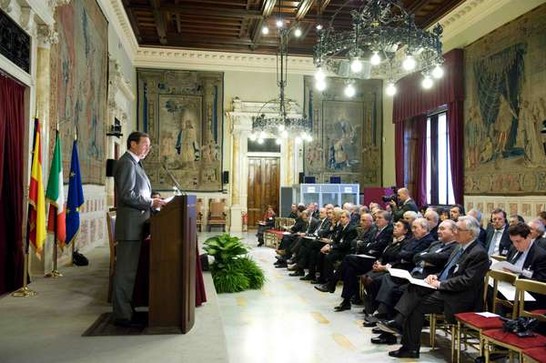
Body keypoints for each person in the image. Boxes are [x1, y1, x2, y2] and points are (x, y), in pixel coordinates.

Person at [377, 216, 489, 358]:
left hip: (459, 297)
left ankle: (407, 343)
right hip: (445, 289)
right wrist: (436, 276)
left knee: (415, 306)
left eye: (459, 230)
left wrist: (441, 284)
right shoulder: (460, 247)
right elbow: (449, 270)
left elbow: (466, 281)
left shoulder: (478, 253)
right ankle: (401, 330)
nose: (455, 233)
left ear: (471, 233)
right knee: (413, 287)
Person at [112, 131, 166, 327]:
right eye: (144, 144)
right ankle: (121, 315)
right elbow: (127, 195)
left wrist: (154, 199)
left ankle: (126, 309)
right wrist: (151, 202)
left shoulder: (135, 163)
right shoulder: (126, 163)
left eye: (149, 145)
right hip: (130, 227)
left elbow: (139, 191)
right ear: (132, 144)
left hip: (137, 224)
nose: (147, 148)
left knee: (130, 271)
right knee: (125, 272)